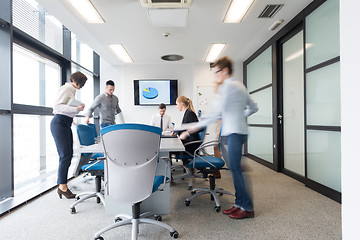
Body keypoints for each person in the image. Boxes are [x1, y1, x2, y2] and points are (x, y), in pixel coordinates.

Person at [180, 56, 258, 219]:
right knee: (235, 170)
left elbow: (214, 115)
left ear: (225, 71)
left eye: (217, 72)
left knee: (236, 171)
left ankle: (247, 207)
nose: (216, 75)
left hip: (232, 134)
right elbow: (253, 107)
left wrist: (189, 130)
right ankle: (238, 204)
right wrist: (239, 115)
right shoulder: (240, 86)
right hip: (237, 132)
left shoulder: (226, 88)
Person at [51, 71, 87, 199]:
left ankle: (62, 185)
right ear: (76, 81)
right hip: (59, 123)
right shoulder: (67, 88)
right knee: (65, 156)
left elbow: (66, 108)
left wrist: (74, 115)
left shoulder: (72, 90)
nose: (81, 86)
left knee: (67, 155)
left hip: (65, 123)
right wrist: (76, 109)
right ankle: (62, 187)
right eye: (82, 83)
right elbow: (57, 107)